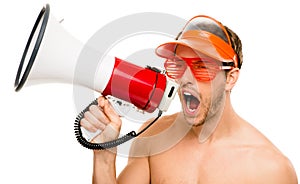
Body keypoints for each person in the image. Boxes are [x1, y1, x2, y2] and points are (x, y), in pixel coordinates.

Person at [80, 15, 298, 183]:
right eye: (178, 65)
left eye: (202, 67)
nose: (185, 78)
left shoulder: (270, 169)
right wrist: (105, 152)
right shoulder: (155, 135)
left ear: (230, 78)